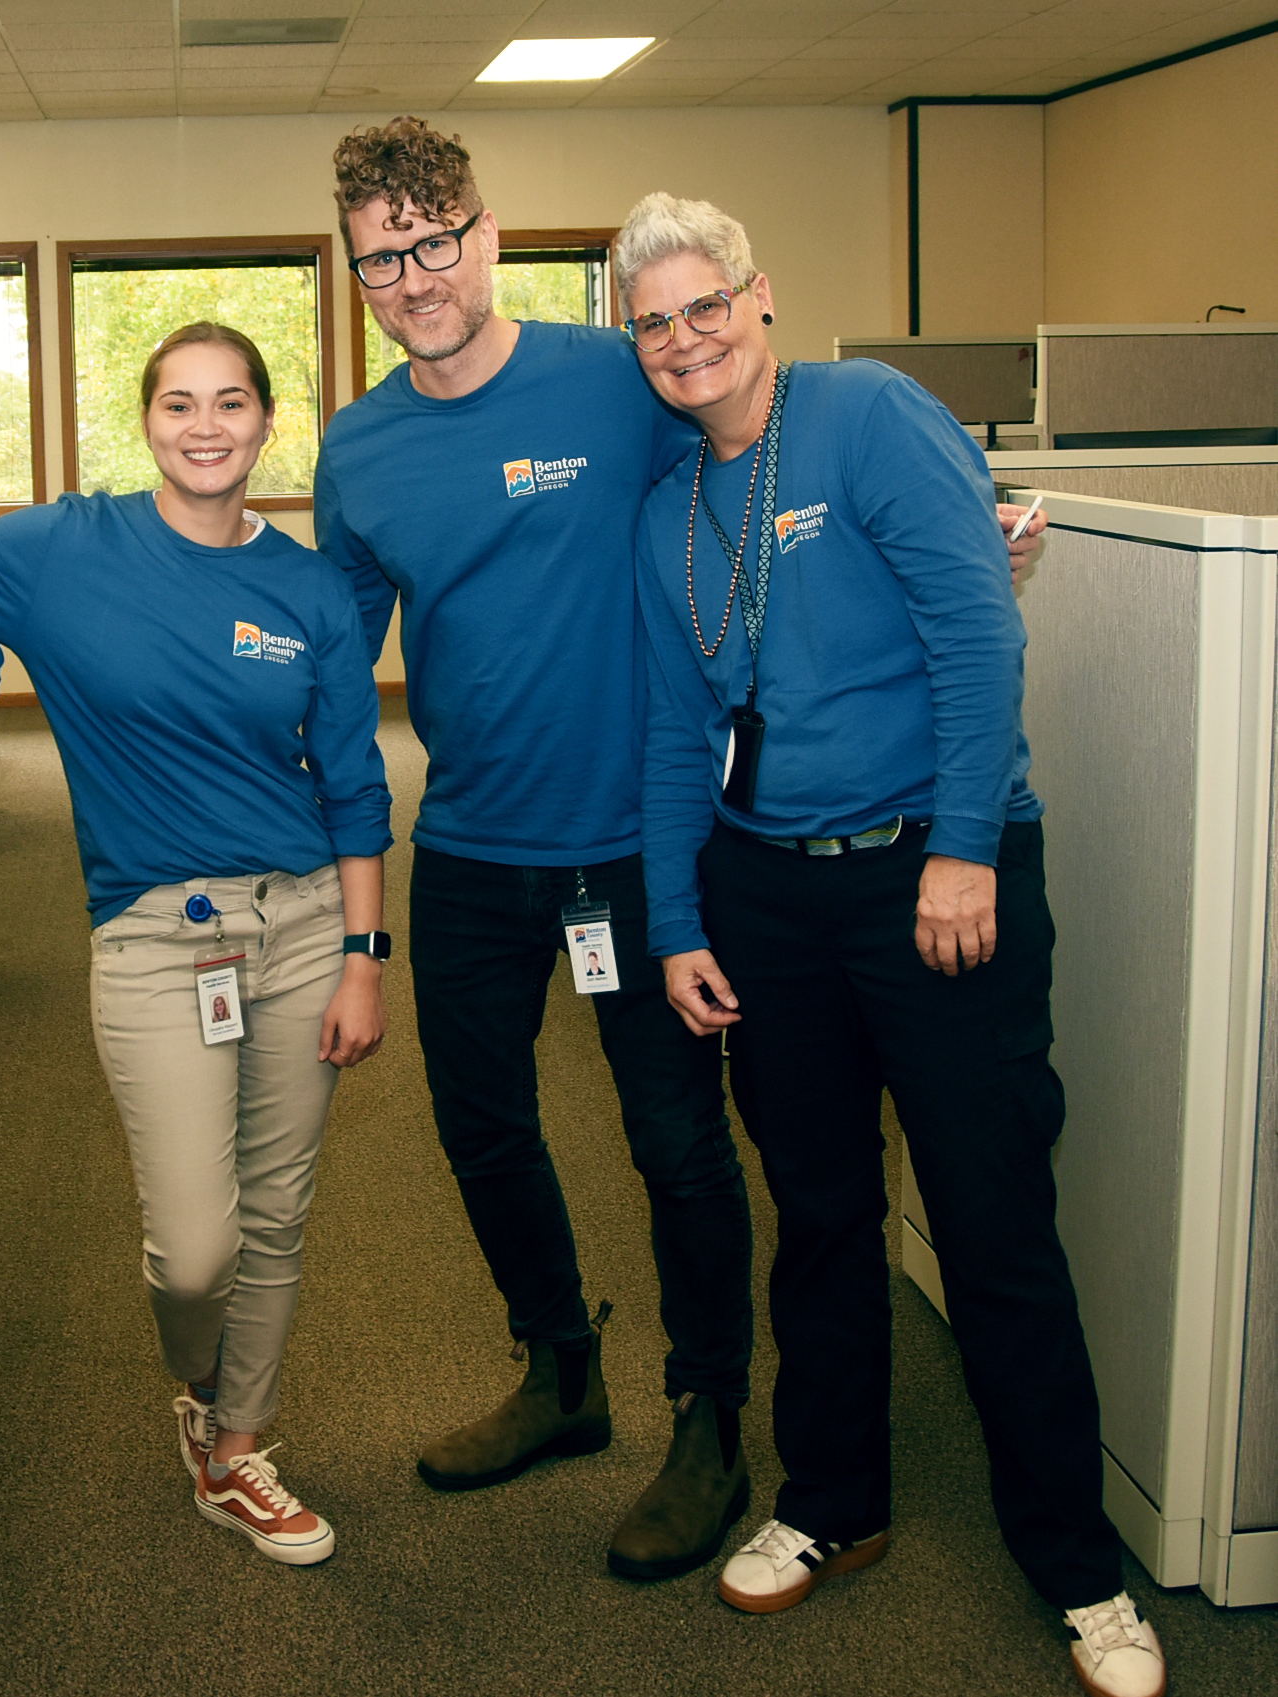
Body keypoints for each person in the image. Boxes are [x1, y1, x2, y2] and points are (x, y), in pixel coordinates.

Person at [314, 115, 1048, 1583]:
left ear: (490, 233)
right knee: (481, 1128)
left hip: (645, 849)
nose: (414, 274)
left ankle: (709, 1415)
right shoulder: (360, 444)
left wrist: (968, 523)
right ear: (356, 270)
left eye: (435, 237)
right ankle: (559, 1369)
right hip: (468, 843)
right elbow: (339, 652)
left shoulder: (621, 373)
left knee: (678, 1146)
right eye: (381, 254)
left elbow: (760, 442)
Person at [623, 191, 1164, 1697]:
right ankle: (831, 1504)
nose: (684, 339)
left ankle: (1081, 1574)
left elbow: (978, 631)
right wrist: (676, 926)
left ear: (760, 296)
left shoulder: (866, 415)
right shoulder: (669, 507)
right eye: (653, 322)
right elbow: (678, 735)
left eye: (703, 304)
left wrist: (967, 845)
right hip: (767, 903)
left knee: (992, 1226)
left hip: (938, 877)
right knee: (822, 1215)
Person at [0, 321, 390, 1563]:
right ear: (147, 422)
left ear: (266, 423)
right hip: (152, 937)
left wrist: (363, 954)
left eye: (230, 402)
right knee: (195, 1249)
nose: (203, 425)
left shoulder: (308, 589)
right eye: (176, 402)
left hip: (298, 929)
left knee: (276, 1211)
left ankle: (237, 1449)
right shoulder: (64, 547)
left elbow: (353, 785)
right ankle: (202, 1392)